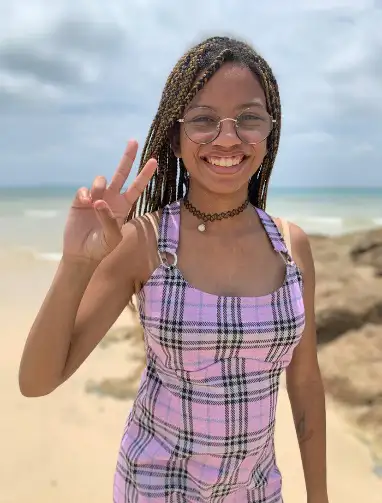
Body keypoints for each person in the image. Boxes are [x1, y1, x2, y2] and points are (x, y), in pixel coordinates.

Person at [19, 36, 328, 503]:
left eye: (249, 118)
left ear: (269, 131)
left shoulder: (290, 246)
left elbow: (304, 383)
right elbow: (37, 381)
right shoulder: (146, 243)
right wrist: (76, 263)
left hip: (258, 491)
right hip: (156, 488)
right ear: (175, 137)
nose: (228, 138)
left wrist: (319, 497)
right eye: (204, 120)